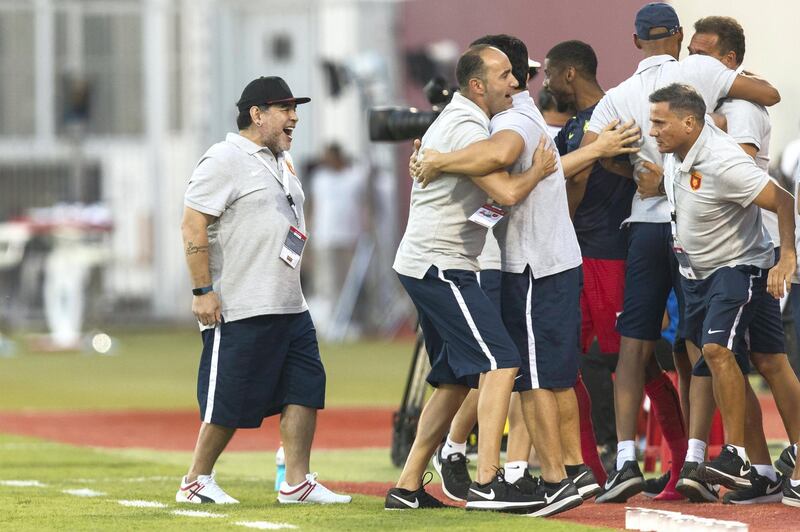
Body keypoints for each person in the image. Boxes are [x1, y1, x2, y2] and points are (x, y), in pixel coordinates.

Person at [579, 2, 782, 503]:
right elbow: (768, 94)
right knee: (699, 347)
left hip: (646, 228)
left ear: (634, 42)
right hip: (698, 230)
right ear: (678, 36)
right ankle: (695, 459)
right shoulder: (697, 68)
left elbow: (591, 159)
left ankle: (625, 460)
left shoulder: (617, 97)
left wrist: (635, 176)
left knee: (634, 346)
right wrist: (729, 88)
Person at [385, 43, 556, 513]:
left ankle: (406, 487)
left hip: (431, 262)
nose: (516, 83)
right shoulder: (465, 124)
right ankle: (486, 482)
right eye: (505, 75)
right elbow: (504, 191)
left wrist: (435, 160)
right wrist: (539, 171)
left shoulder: (465, 120)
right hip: (440, 264)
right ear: (477, 85)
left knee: (452, 380)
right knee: (501, 362)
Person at [177, 76, 350, 505]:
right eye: (285, 108)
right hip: (241, 302)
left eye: (296, 109)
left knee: (306, 387)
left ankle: (296, 482)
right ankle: (195, 480)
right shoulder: (223, 158)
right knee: (229, 398)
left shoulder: (281, 161)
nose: (295, 117)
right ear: (257, 114)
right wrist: (202, 290)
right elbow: (193, 223)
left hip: (290, 302)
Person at [673, 16, 800, 504]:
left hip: (746, 250)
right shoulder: (711, 109)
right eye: (690, 51)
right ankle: (763, 468)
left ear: (729, 62)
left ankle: (754, 457)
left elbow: (744, 177)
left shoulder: (740, 106)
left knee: (744, 356)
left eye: (702, 53)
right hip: (723, 252)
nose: (692, 61)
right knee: (752, 358)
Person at [648, 82, 795, 493]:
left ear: (689, 122)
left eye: (660, 122)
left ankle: (737, 455)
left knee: (717, 351)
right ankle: (763, 474)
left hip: (737, 266)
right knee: (762, 360)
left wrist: (788, 257)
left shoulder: (722, 160)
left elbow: (783, 199)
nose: (652, 130)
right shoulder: (679, 149)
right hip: (697, 272)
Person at [543, 39, 637, 492]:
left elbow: (575, 186)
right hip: (587, 256)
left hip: (605, 254)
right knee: (572, 362)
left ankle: (661, 462)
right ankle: (592, 471)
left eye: (549, 75)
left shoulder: (605, 120)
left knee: (636, 360)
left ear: (569, 74)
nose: (545, 85)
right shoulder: (592, 122)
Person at [307, 143, 366, 329]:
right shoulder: (320, 178)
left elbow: (363, 206)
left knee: (349, 282)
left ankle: (349, 319)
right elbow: (313, 207)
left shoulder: (354, 177)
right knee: (327, 282)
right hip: (325, 237)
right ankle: (331, 321)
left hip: (349, 237)